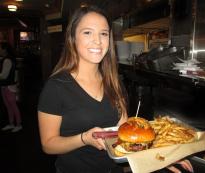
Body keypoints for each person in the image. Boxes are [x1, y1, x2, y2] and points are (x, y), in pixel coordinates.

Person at [38, 5, 193, 173]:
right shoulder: (56, 86)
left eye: (103, 34)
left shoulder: (113, 81)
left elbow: (127, 132)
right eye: (87, 32)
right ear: (73, 38)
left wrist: (161, 155)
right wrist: (84, 139)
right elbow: (48, 144)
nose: (97, 41)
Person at [0, 42, 22, 132]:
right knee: (9, 106)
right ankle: (11, 123)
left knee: (12, 106)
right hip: (8, 86)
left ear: (4, 49)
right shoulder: (9, 59)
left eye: (0, 48)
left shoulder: (7, 60)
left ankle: (18, 124)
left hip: (8, 86)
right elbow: (15, 74)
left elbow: (4, 75)